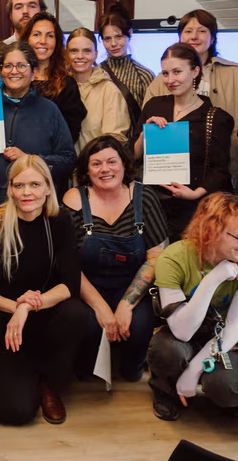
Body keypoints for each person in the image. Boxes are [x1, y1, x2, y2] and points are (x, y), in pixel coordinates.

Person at [0, 155, 89, 426]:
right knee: (15, 413)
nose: (27, 192)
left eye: (35, 184)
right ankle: (5, 372)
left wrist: (27, 306)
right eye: (19, 185)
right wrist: (15, 308)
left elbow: (70, 284)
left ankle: (48, 380)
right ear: (10, 188)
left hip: (42, 314)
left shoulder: (60, 220)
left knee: (76, 313)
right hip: (2, 320)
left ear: (49, 188)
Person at [147, 192, 238, 421]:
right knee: (168, 351)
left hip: (224, 336)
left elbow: (234, 327)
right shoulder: (174, 257)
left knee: (228, 389)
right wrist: (213, 279)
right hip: (183, 332)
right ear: (211, 232)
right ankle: (166, 391)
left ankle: (209, 386)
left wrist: (193, 372)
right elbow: (183, 330)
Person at [63, 136, 167, 382]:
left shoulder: (145, 197)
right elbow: (68, 264)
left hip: (131, 287)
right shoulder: (73, 200)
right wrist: (100, 308)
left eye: (112, 161)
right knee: (87, 329)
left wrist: (125, 305)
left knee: (139, 326)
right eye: (96, 164)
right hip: (87, 286)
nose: (105, 169)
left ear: (124, 164)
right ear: (87, 171)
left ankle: (132, 365)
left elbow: (156, 256)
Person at [134, 43, 233, 242]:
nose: (171, 80)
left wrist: (195, 193)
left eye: (177, 72)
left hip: (194, 209)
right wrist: (146, 132)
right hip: (153, 206)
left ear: (195, 71)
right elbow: (133, 155)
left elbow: (219, 170)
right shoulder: (154, 106)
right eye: (165, 73)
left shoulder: (215, 118)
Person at [142, 10, 238, 183]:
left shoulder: (237, 73)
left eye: (201, 31)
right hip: (174, 171)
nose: (194, 37)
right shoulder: (160, 82)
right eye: (188, 31)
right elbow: (147, 129)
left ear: (213, 38)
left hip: (226, 166)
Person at [0, 42, 74, 205]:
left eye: (21, 65)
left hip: (32, 204)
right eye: (8, 66)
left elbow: (68, 160)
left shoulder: (48, 110)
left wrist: (31, 160)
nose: (14, 71)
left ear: (34, 72)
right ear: (1, 71)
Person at [18, 12, 85, 143]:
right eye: (36, 35)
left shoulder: (67, 84)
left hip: (52, 159)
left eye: (50, 36)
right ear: (27, 40)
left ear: (57, 42)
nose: (43, 41)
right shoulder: (14, 78)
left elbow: (70, 135)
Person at [66, 28, 130, 150]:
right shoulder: (57, 87)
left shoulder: (109, 90)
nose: (80, 56)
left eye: (87, 51)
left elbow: (113, 140)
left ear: (95, 54)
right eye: (74, 51)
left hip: (95, 166)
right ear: (66, 54)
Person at [98, 3, 154, 110]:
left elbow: (150, 116)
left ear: (130, 33)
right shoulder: (96, 73)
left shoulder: (144, 76)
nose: (113, 43)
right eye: (107, 39)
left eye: (119, 36)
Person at [0, 0, 46, 78]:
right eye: (19, 7)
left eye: (32, 6)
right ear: (10, 15)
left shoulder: (50, 49)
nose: (25, 11)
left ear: (42, 12)